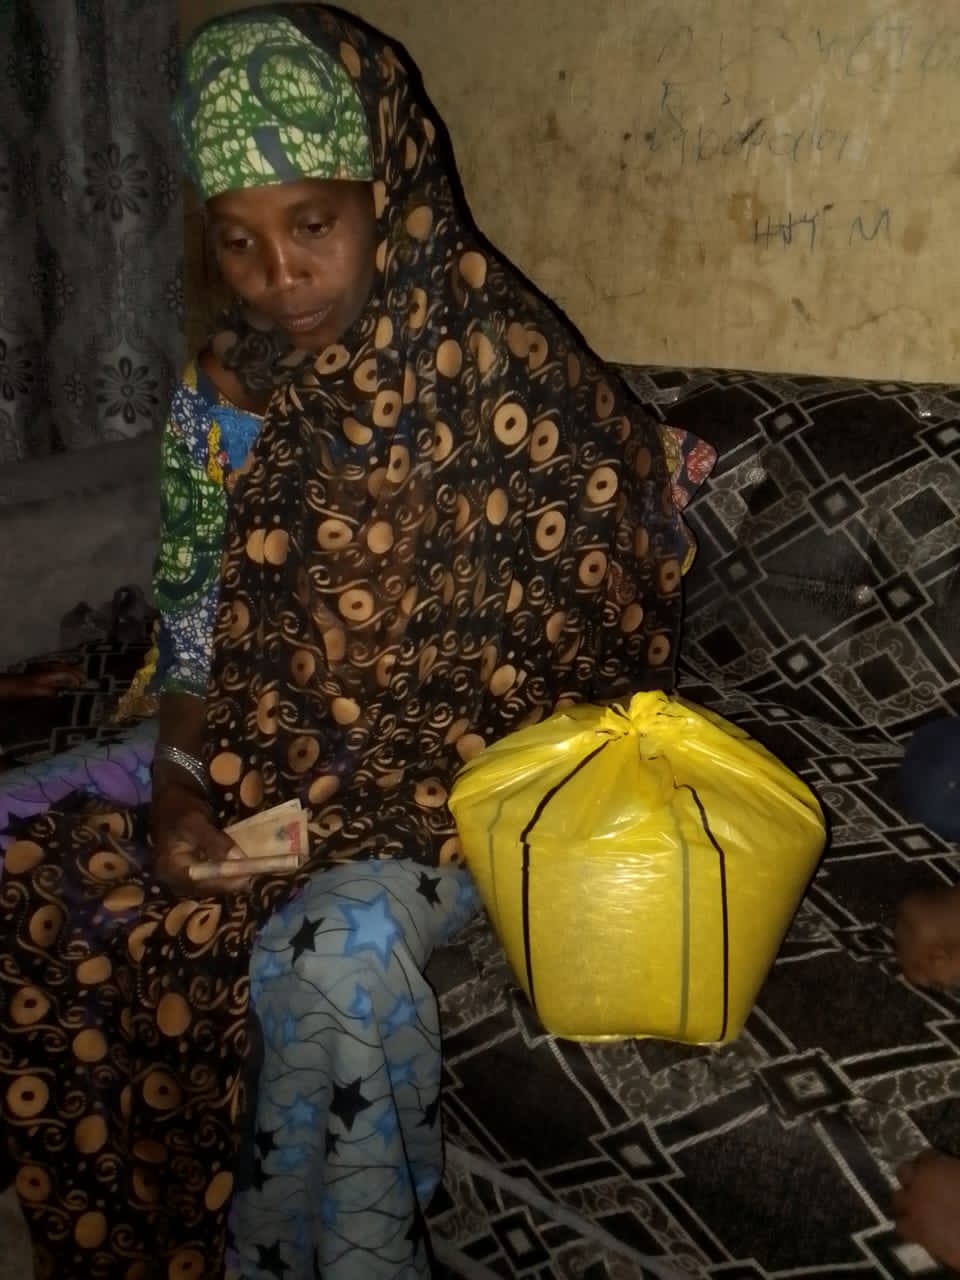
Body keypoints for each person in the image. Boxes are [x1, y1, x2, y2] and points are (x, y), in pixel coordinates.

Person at [0, 5, 713, 1278]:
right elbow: (193, 613)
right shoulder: (223, 397)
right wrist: (174, 776)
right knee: (29, 857)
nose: (280, 277)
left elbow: (598, 632)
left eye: (313, 226)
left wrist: (352, 791)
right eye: (240, 242)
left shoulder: (511, 381)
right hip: (247, 759)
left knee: (336, 957)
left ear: (389, 190)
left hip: (447, 803)